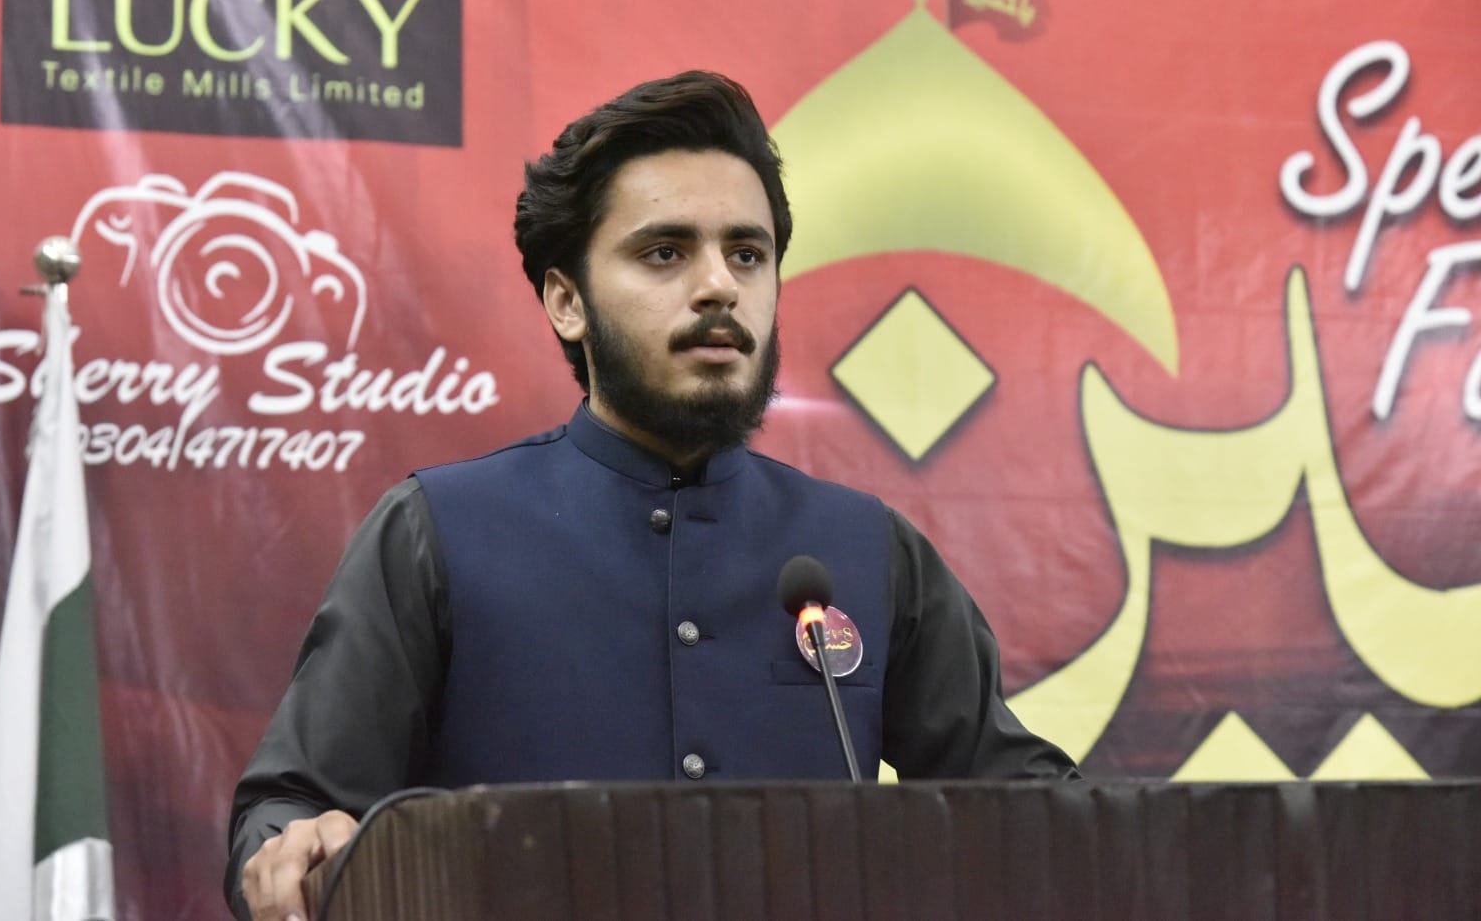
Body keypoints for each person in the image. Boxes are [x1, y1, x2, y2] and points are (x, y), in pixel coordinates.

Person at [227, 71, 1078, 921]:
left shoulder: (865, 550)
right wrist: (296, 848)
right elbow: (291, 807)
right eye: (665, 252)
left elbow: (1028, 812)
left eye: (747, 254)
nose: (720, 286)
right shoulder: (438, 534)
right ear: (568, 302)